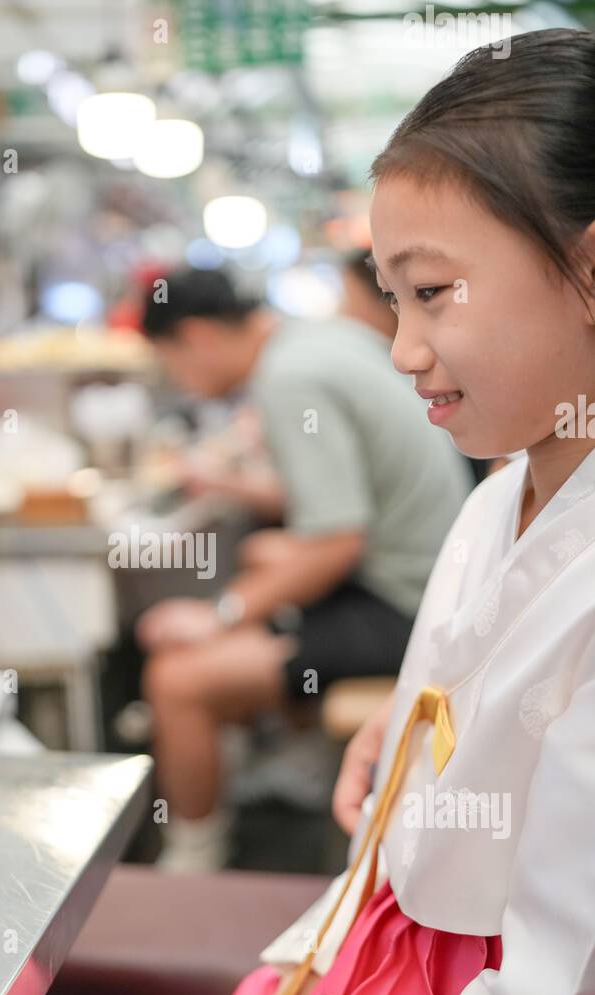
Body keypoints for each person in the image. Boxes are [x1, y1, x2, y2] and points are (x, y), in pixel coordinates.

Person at [21, 27, 595, 995]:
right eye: (390, 298)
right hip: (385, 966)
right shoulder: (504, 491)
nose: (402, 348)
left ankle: (188, 855)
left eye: (433, 294)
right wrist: (410, 737)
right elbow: (468, 678)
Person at [137, 261, 472, 871]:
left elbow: (337, 541)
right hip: (435, 577)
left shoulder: (288, 378)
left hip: (405, 604)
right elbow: (336, 502)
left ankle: (191, 862)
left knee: (176, 678)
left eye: (172, 363)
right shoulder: (319, 339)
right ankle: (292, 758)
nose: (179, 381)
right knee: (261, 559)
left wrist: (220, 615)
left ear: (198, 337)